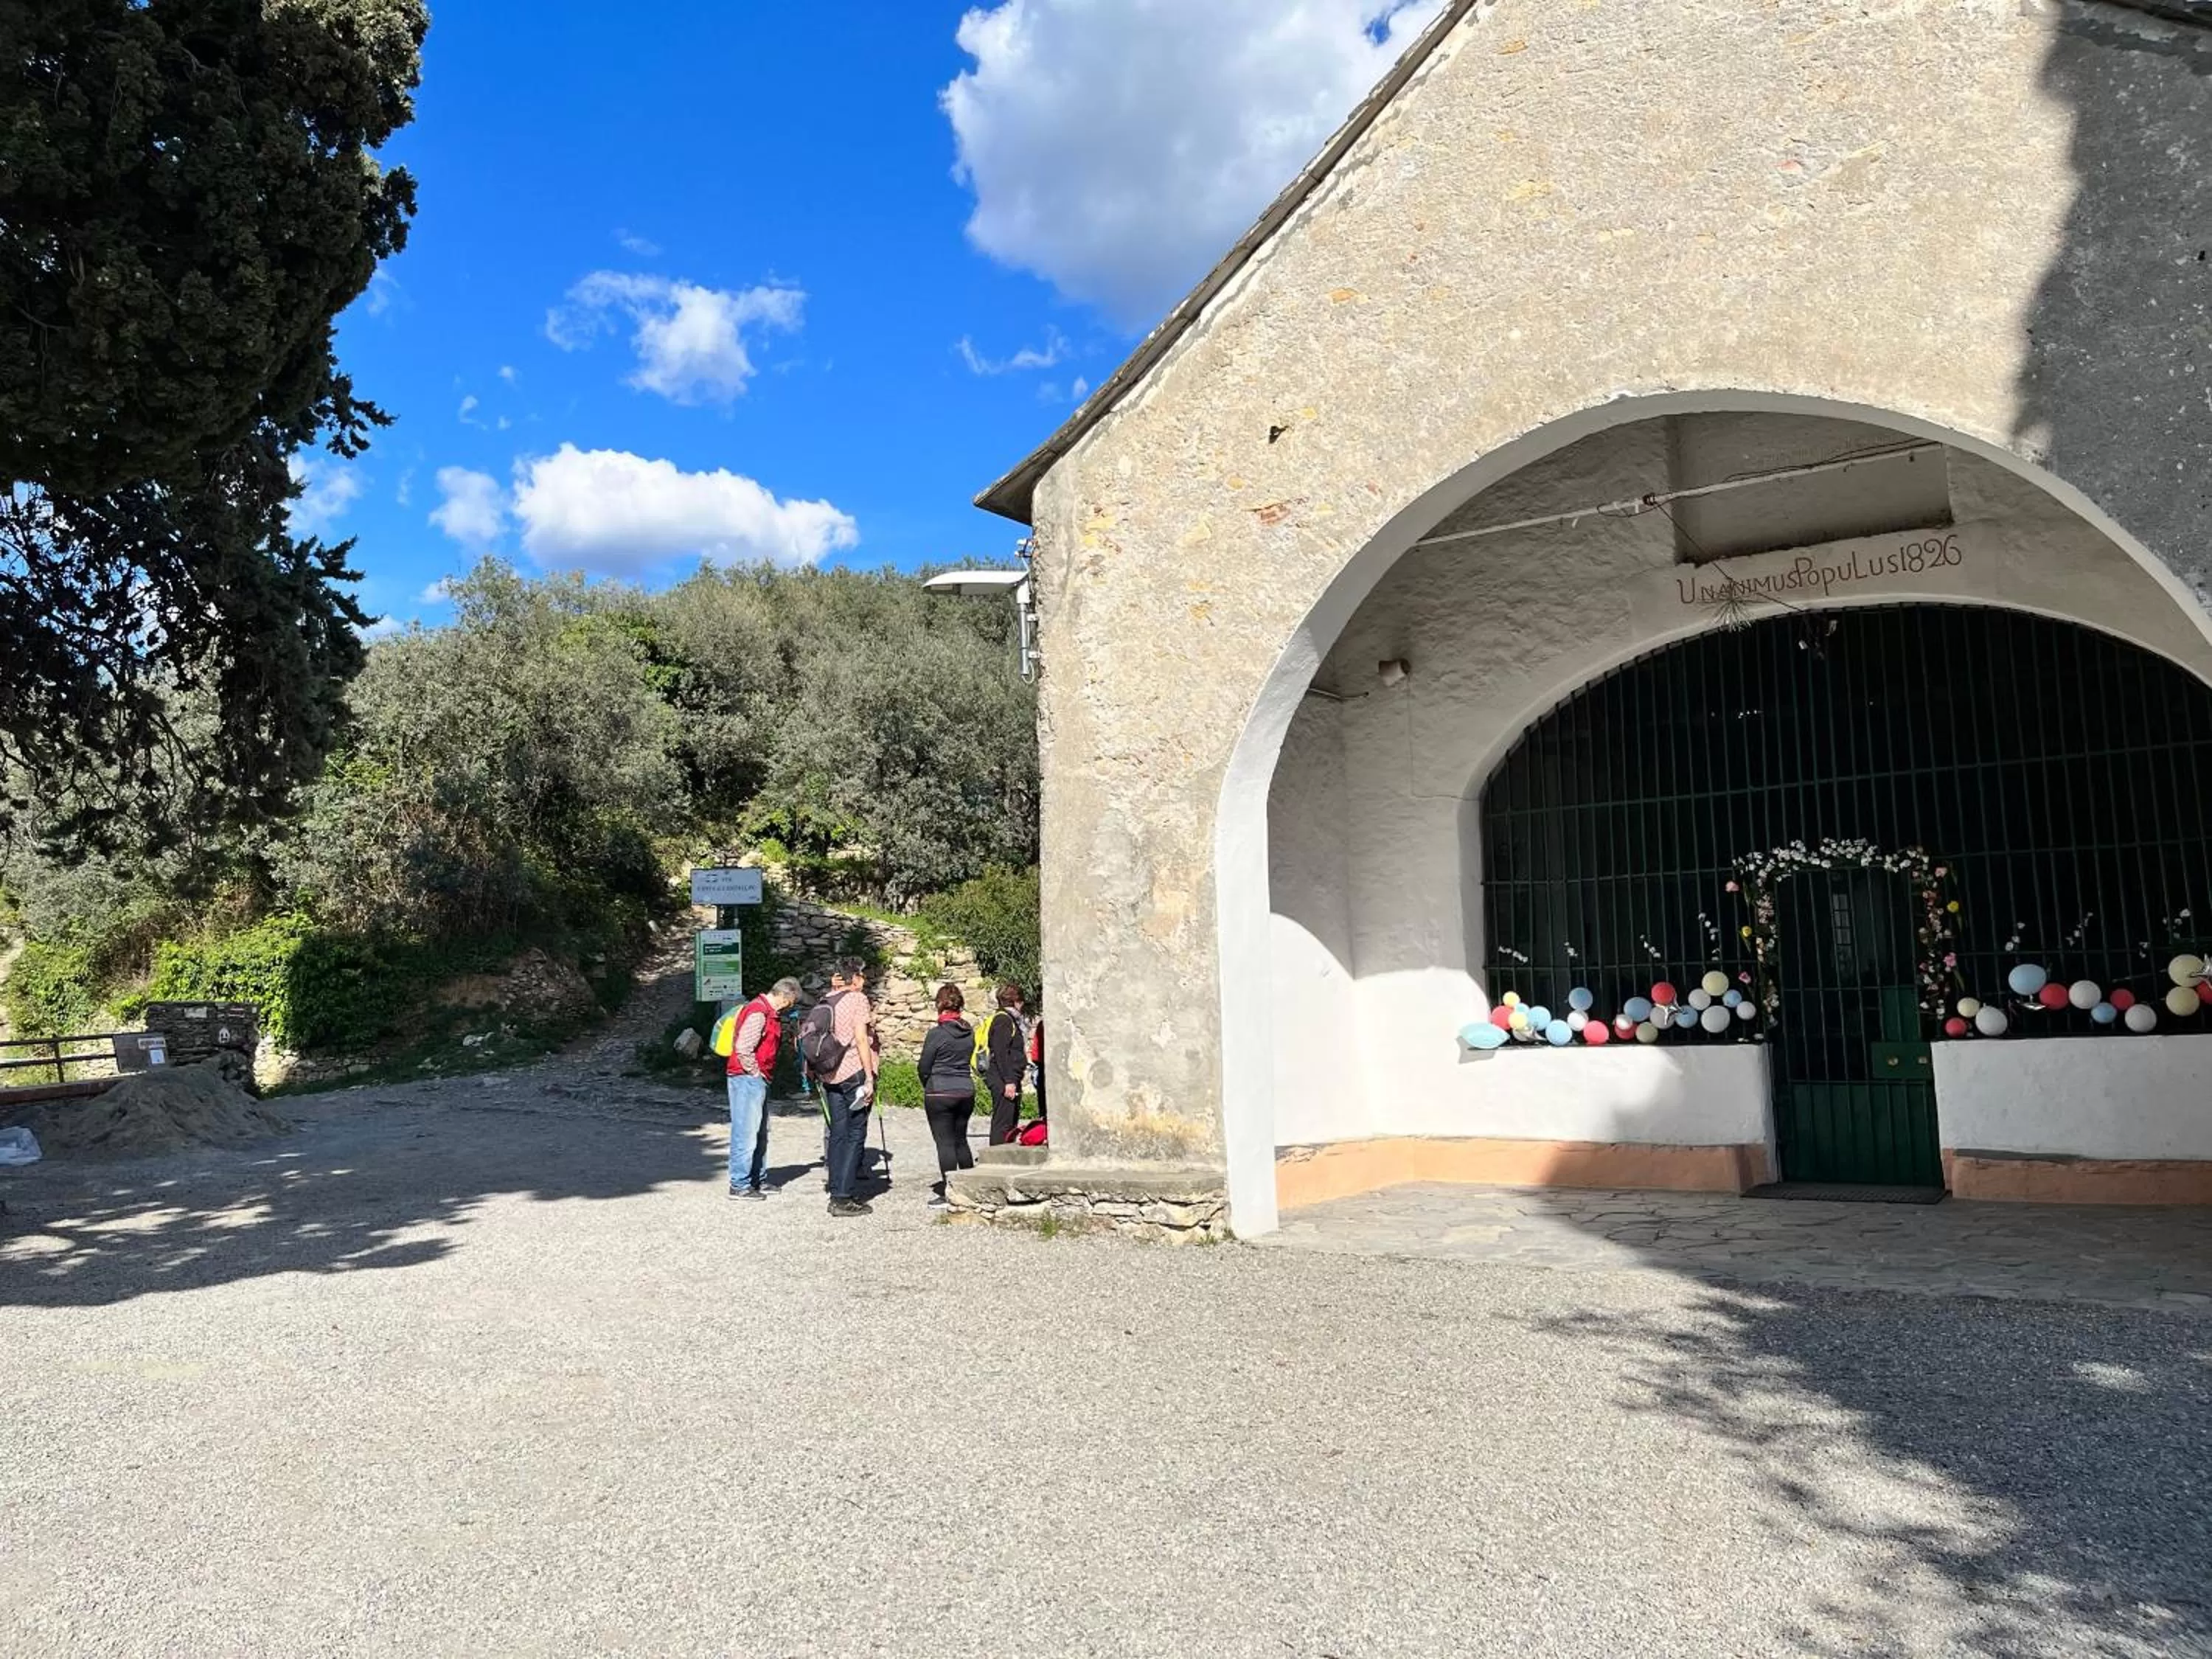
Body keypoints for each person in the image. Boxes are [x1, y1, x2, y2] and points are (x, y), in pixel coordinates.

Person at [725, 978, 802, 1201]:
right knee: (746, 1132)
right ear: (785, 997)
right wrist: (755, 1073)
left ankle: (757, 1179)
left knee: (759, 1131)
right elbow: (743, 1048)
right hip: (747, 1078)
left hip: (754, 1078)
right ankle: (740, 1184)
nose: (789, 1007)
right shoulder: (759, 1013)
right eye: (791, 1002)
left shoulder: (765, 1012)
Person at [819, 957, 879, 1217]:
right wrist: (869, 1077)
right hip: (853, 1072)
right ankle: (843, 1198)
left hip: (830, 1074)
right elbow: (861, 1039)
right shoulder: (858, 999)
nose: (864, 981)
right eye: (862, 976)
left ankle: (836, 1189)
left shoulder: (828, 998)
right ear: (854, 978)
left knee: (838, 1133)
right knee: (856, 1133)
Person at [916, 984, 978, 1211]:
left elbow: (924, 1066)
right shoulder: (969, 1032)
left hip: (940, 1090)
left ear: (939, 1005)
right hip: (965, 1089)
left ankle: (949, 1192)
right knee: (961, 1139)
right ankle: (971, 1188)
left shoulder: (937, 1034)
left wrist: (928, 1084)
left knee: (945, 1142)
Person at [984, 982, 1028, 1147]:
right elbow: (1001, 1053)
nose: (1022, 1006)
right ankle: (996, 1155)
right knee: (1003, 1123)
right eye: (1021, 1001)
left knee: (1010, 1123)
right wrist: (1009, 1081)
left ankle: (1004, 1153)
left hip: (1008, 1078)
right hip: (1003, 1079)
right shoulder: (1003, 1020)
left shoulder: (1008, 1019)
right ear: (1016, 1001)